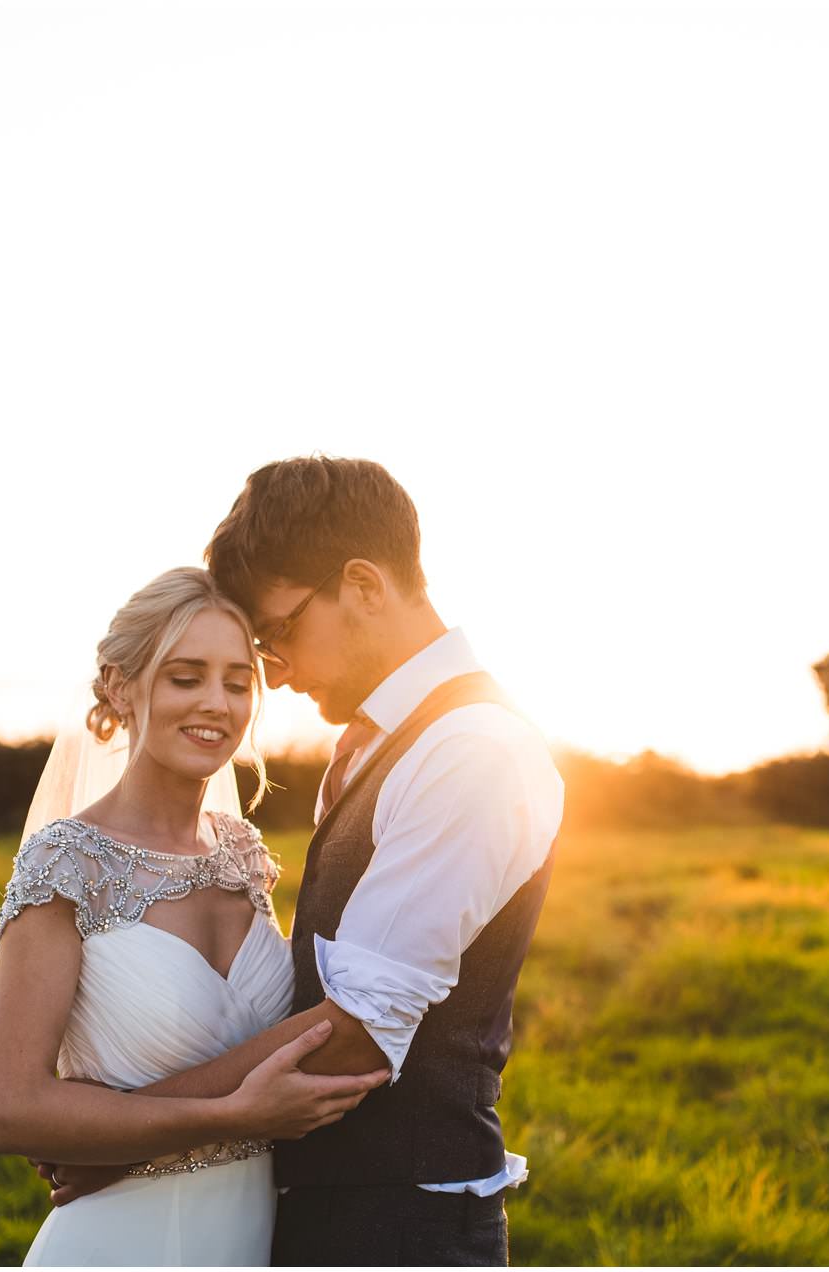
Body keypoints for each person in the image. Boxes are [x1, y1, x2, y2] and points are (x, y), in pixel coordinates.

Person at [36, 457, 565, 1265]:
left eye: (277, 631)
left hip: (406, 1221)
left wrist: (117, 1135)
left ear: (361, 584)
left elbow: (359, 1029)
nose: (271, 676)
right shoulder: (375, 744)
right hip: (312, 1210)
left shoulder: (472, 750)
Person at [0, 567, 388, 1266]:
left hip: (247, 1234)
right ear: (118, 685)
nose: (216, 703)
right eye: (185, 676)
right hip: (118, 1242)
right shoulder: (66, 867)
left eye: (237, 682)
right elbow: (9, 1107)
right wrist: (233, 1118)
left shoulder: (243, 855)